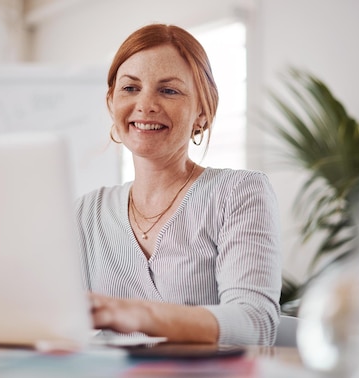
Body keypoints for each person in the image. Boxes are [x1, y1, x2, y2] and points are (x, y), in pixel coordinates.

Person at [75, 23, 281, 345]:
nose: (146, 105)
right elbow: (55, 319)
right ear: (111, 102)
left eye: (169, 90)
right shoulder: (87, 212)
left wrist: (141, 315)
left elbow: (256, 324)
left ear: (202, 114)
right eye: (130, 88)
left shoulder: (238, 192)